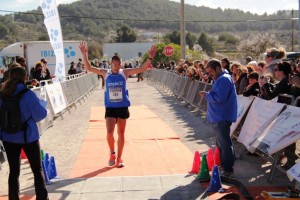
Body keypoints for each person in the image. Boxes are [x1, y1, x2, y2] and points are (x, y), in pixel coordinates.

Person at [79, 41, 157, 168]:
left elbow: (142, 69)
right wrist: (84, 54)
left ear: (121, 64)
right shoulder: (106, 73)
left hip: (122, 107)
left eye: (119, 64)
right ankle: (112, 153)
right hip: (110, 108)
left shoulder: (124, 73)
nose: (117, 66)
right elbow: (89, 68)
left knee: (121, 133)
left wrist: (150, 57)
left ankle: (119, 158)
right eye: (115, 64)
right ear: (111, 64)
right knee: (110, 132)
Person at [0, 67, 48, 199]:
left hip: (8, 137)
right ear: (25, 77)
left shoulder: (3, 94)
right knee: (37, 170)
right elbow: (40, 114)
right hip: (28, 137)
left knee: (14, 172)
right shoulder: (28, 94)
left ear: (10, 77)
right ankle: (42, 197)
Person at [199, 59, 237, 178]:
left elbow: (220, 98)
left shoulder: (224, 79)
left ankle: (228, 169)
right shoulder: (221, 78)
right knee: (221, 144)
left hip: (222, 116)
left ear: (217, 68)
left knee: (224, 144)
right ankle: (225, 166)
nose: (209, 74)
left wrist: (207, 95)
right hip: (219, 116)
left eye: (211, 71)